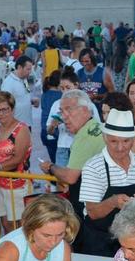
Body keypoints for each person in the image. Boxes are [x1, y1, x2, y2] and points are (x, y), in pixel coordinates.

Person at [78, 109, 135, 257]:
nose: (120, 147)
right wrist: (113, 202)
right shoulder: (94, 166)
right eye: (114, 141)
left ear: (133, 139)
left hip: (134, 243)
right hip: (100, 243)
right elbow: (92, 212)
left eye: (126, 141)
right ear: (105, 138)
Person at [40, 89, 104, 236]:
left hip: (91, 213)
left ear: (85, 110)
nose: (64, 117)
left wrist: (50, 167)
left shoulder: (85, 136)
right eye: (61, 112)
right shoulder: (95, 127)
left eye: (69, 110)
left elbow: (70, 177)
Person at [0, 91, 32, 234]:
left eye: (5, 109)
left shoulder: (22, 129)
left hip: (17, 183)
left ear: (12, 109)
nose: (1, 114)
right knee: (5, 222)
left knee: (18, 224)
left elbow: (18, 159)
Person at [0, 55, 35, 127]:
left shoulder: (24, 80)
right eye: (28, 69)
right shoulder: (8, 83)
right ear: (19, 67)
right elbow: (4, 104)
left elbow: (23, 96)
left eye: (30, 69)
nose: (30, 72)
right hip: (15, 125)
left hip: (27, 123)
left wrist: (31, 101)